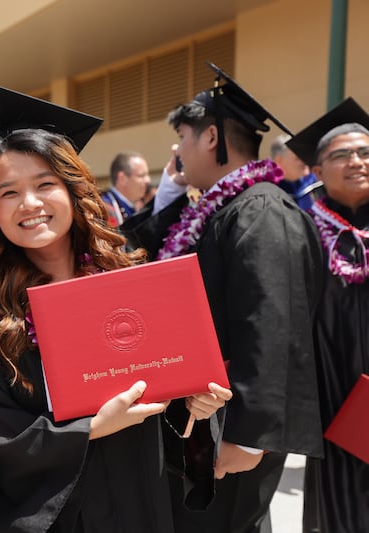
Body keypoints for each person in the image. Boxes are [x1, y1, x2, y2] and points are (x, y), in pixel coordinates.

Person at [0, 87, 231, 532]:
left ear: (73, 191)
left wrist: (194, 406)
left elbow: (164, 389)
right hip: (54, 515)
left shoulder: (127, 274)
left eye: (45, 185)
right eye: (9, 192)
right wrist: (86, 430)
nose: (30, 204)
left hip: (138, 497)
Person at [122, 64, 324, 533]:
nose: (177, 152)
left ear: (211, 137)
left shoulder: (261, 209)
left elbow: (272, 323)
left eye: (184, 138)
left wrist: (248, 438)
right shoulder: (221, 208)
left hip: (231, 425)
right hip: (205, 417)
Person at [285, 97, 369, 533]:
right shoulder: (298, 230)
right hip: (334, 403)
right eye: (341, 155)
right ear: (316, 171)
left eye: (365, 152)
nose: (356, 161)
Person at [270, 133, 322, 210]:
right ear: (279, 160)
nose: (305, 160)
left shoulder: (316, 183)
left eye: (304, 155)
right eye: (298, 157)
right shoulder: (269, 192)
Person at [100, 151, 151, 226]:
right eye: (141, 175)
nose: (148, 180)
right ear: (122, 178)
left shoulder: (137, 207)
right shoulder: (104, 210)